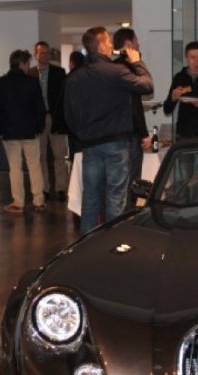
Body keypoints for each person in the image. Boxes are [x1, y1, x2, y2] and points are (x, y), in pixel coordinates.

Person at [64, 26, 153, 234]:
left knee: (90, 198)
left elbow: (68, 114)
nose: (112, 45)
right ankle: (112, 242)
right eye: (108, 41)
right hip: (116, 143)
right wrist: (137, 62)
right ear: (101, 46)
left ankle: (87, 244)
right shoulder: (116, 71)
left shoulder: (74, 77)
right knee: (116, 197)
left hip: (90, 144)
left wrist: (83, 134)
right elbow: (147, 86)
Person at [0, 49, 47, 214]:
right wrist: (39, 127)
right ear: (22, 64)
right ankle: (38, 200)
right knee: (34, 166)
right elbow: (40, 108)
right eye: (28, 63)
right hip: (30, 131)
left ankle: (18, 202)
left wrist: (0, 130)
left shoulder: (0, 83)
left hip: (9, 132)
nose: (29, 66)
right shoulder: (32, 82)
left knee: (14, 167)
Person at [113, 27, 150, 210]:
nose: (139, 45)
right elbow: (137, 102)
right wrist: (144, 134)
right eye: (136, 42)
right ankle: (128, 216)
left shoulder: (112, 68)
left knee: (118, 183)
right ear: (128, 44)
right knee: (132, 182)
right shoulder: (130, 69)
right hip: (131, 134)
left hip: (115, 133)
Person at [28, 41, 69, 201]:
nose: (45, 55)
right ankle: (44, 188)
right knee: (40, 156)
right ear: (35, 54)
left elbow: (63, 97)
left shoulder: (59, 72)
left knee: (59, 155)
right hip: (37, 118)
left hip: (55, 117)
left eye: (47, 53)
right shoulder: (30, 73)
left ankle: (60, 188)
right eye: (41, 52)